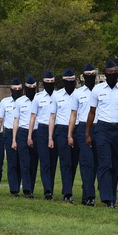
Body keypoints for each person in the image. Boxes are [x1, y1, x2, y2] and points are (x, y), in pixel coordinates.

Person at [85, 59, 118, 208]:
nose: (113, 75)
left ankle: (112, 197)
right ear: (105, 74)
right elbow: (92, 112)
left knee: (115, 164)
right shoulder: (98, 90)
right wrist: (87, 133)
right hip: (102, 129)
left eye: (116, 72)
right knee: (105, 163)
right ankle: (107, 198)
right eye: (110, 73)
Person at [67, 65, 98, 205]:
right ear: (83, 76)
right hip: (82, 129)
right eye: (88, 74)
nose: (90, 76)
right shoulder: (78, 93)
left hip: (98, 128)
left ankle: (87, 193)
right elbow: (73, 115)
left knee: (96, 164)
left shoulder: (100, 91)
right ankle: (90, 196)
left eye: (93, 73)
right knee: (87, 163)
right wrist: (69, 134)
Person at [49, 69, 77, 202]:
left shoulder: (80, 94)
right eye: (67, 80)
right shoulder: (57, 95)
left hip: (77, 129)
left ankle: (69, 187)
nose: (70, 83)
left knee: (74, 162)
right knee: (65, 162)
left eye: (72, 80)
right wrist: (50, 137)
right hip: (61, 129)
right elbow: (52, 117)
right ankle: (67, 193)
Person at [29, 72, 58, 199]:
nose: (50, 85)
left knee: (53, 161)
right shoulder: (38, 97)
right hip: (41, 130)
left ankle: (50, 187)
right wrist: (30, 135)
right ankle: (47, 190)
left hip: (56, 129)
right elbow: (33, 116)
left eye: (52, 82)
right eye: (47, 82)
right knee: (44, 160)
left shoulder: (58, 95)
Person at [13, 76, 38, 198]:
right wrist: (14, 139)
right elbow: (16, 120)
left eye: (33, 87)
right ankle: (27, 190)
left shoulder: (39, 99)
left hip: (37, 132)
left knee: (33, 163)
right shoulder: (20, 101)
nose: (31, 89)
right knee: (25, 162)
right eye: (29, 87)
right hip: (22, 132)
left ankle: (31, 188)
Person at [0, 80, 22, 196]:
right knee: (12, 162)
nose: (17, 91)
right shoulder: (5, 102)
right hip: (9, 132)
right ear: (11, 90)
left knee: (21, 161)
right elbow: (0, 120)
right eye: (15, 89)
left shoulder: (25, 101)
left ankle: (20, 184)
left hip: (22, 132)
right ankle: (14, 189)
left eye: (19, 89)